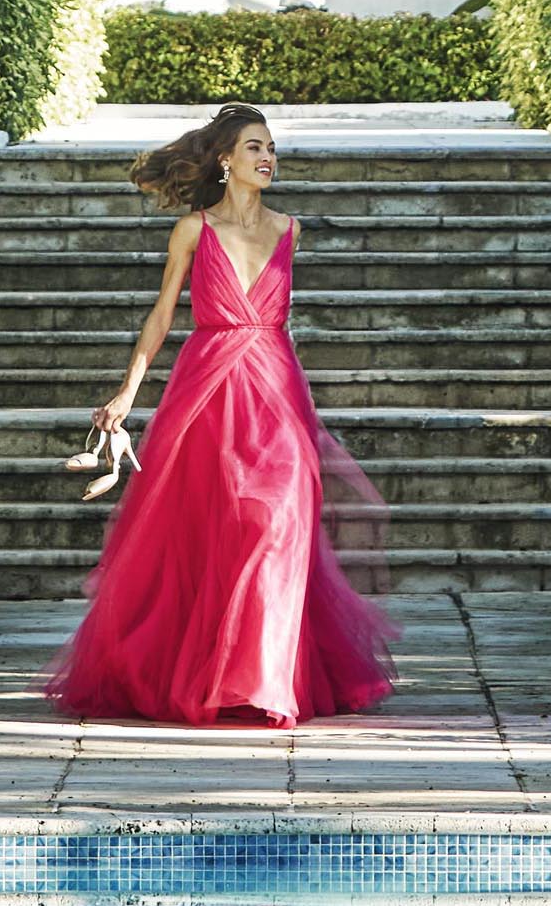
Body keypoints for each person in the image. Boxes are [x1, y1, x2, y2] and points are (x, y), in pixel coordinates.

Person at [42, 102, 393, 725]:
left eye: (271, 148)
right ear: (226, 160)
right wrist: (128, 393)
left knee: (279, 519)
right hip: (205, 389)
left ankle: (267, 678)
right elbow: (161, 316)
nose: (268, 158)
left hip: (278, 391)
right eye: (254, 147)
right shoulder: (193, 230)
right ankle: (215, 672)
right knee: (213, 528)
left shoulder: (290, 229)